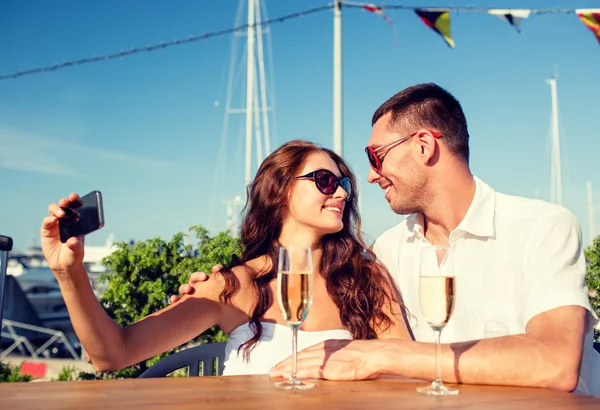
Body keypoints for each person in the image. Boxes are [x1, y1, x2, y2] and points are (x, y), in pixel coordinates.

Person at [178, 83, 599, 395]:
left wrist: (385, 355)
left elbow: (555, 363)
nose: (370, 176)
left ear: (422, 146)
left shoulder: (542, 226)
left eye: (375, 157)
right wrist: (218, 291)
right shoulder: (388, 253)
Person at [40, 140, 409, 375]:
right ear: (281, 190)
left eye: (343, 184)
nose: (341, 193)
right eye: (326, 182)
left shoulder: (365, 278)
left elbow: (407, 361)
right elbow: (113, 354)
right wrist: (68, 272)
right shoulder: (234, 286)